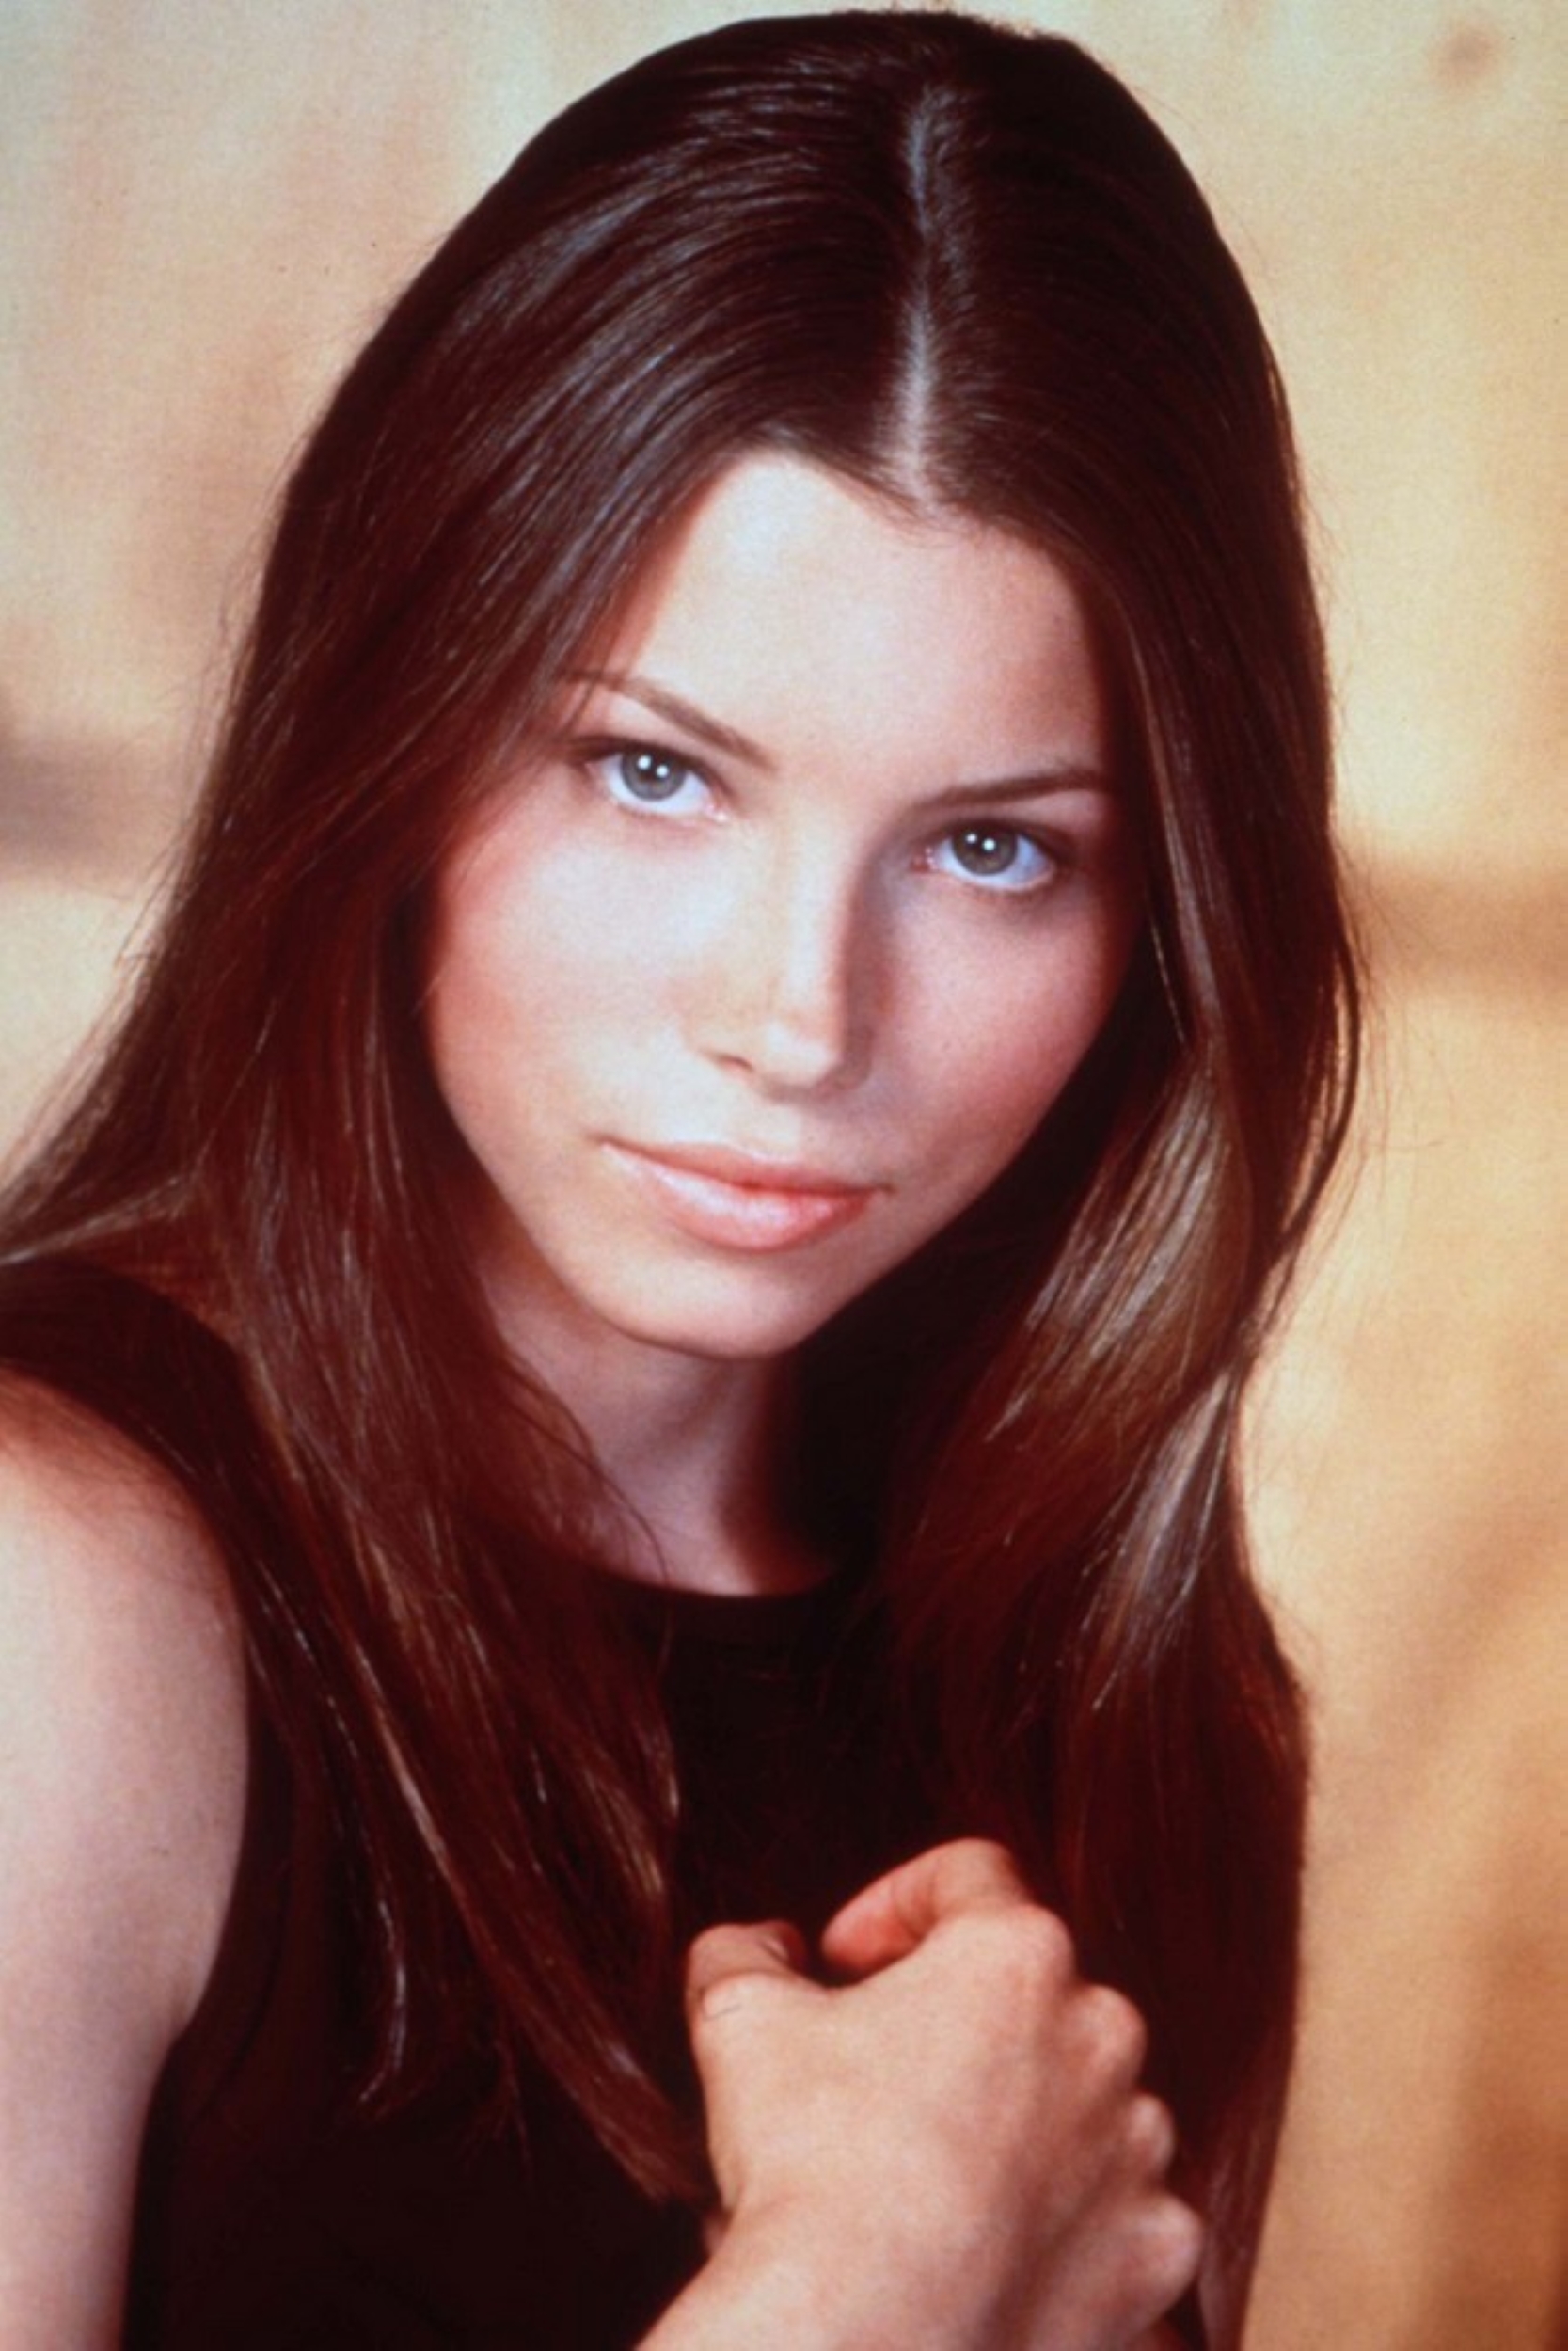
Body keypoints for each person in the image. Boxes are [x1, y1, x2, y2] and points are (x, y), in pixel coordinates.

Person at [0, 10, 1358, 2346]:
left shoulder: (1140, 1698)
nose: (800, 1019)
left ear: (1164, 929)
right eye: (653, 771)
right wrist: (855, 2290)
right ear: (389, 742)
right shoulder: (51, 1591)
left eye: (994, 847)